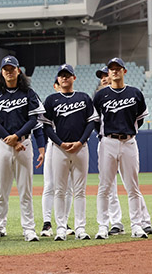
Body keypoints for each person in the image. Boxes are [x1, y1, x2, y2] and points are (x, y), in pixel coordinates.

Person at [0, 56, 45, 243]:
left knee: (25, 190)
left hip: (23, 144)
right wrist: (10, 140)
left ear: (19, 71)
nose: (9, 72)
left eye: (12, 68)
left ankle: (29, 229)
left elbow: (34, 120)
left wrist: (17, 137)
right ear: (2, 72)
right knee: (1, 189)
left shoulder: (29, 93)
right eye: (6, 69)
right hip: (3, 144)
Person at [94, 57, 151, 239]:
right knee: (105, 187)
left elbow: (140, 118)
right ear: (108, 72)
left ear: (124, 71)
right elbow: (95, 121)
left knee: (133, 187)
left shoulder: (135, 93)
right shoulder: (100, 96)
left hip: (129, 142)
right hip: (108, 142)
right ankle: (103, 226)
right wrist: (105, 136)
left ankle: (137, 225)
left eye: (118, 68)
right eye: (112, 69)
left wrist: (129, 130)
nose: (114, 71)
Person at [40, 64, 97, 241]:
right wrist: (60, 143)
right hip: (59, 149)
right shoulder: (51, 100)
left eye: (68, 75)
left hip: (81, 149)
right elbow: (46, 126)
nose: (64, 78)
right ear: (57, 79)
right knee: (59, 190)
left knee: (79, 191)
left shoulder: (84, 97)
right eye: (61, 75)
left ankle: (80, 228)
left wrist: (81, 142)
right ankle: (61, 229)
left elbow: (91, 122)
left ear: (74, 78)